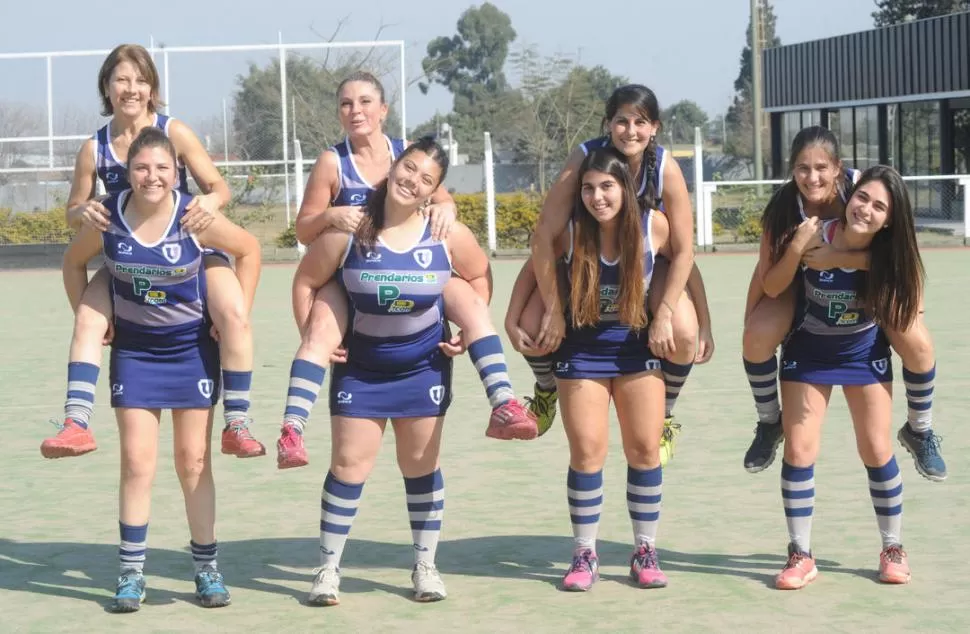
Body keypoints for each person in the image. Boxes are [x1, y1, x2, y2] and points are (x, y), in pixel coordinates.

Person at [275, 72, 535, 469]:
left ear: (383, 110)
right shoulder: (334, 161)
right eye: (346, 103)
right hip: (351, 273)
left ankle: (504, 400)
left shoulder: (408, 154)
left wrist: (448, 208)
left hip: (410, 266)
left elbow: (442, 204)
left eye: (364, 102)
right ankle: (292, 429)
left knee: (462, 292)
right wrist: (332, 214)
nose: (355, 111)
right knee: (321, 329)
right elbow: (305, 230)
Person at [61, 127, 262, 611]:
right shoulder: (108, 218)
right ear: (127, 171)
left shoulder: (194, 217)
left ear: (177, 173)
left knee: (193, 463)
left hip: (190, 348)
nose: (152, 177)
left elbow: (250, 250)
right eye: (141, 168)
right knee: (136, 465)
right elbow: (72, 263)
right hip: (136, 352)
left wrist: (237, 313)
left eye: (162, 168)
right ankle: (131, 573)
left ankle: (206, 568)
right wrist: (95, 321)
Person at [41, 43, 265, 461]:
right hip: (129, 256)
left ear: (152, 88)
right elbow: (73, 211)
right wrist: (82, 211)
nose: (131, 88)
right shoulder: (94, 148)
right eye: (122, 79)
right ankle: (76, 422)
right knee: (87, 318)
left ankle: (238, 423)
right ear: (106, 87)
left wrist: (208, 206)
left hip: (186, 250)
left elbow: (219, 189)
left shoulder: (173, 132)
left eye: (141, 80)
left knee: (235, 313)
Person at [289, 138, 490, 604]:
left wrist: (464, 327)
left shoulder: (444, 232)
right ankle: (328, 569)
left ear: (434, 193)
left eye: (426, 179)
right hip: (362, 366)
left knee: (421, 467)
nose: (412, 181)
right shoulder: (350, 230)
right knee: (347, 467)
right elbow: (306, 279)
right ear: (392, 168)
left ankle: (425, 565)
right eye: (408, 169)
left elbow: (479, 276)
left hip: (422, 365)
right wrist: (313, 331)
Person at [516, 84, 713, 464]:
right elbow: (543, 237)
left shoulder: (664, 169)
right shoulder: (587, 159)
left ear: (654, 127)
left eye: (640, 122)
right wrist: (555, 310)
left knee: (684, 333)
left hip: (643, 265)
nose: (630, 130)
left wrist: (676, 314)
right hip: (585, 262)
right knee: (531, 325)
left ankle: (665, 413)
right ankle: (545, 390)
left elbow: (685, 251)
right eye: (621, 121)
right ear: (608, 124)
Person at [506, 147, 672, 591]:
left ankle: (645, 550)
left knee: (644, 451)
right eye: (589, 188)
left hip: (637, 349)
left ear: (626, 189)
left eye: (607, 187)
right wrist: (513, 312)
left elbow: (683, 266)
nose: (598, 197)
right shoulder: (572, 232)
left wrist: (681, 313)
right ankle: (584, 554)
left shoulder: (653, 226)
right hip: (581, 351)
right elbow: (535, 260)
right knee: (587, 452)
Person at [741, 126, 946, 482]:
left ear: (838, 167)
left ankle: (920, 430)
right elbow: (767, 277)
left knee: (918, 341)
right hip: (800, 284)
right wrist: (752, 319)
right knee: (755, 336)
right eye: (803, 168)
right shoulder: (783, 210)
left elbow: (903, 256)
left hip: (868, 285)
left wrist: (838, 259)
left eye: (821, 167)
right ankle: (770, 422)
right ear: (792, 169)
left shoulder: (863, 191)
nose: (812, 177)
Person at [771, 165, 918, 590]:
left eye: (878, 206)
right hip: (808, 352)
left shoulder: (891, 251)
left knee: (876, 447)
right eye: (862, 198)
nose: (866, 210)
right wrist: (797, 250)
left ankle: (893, 547)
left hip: (862, 353)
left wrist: (845, 260)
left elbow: (906, 286)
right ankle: (800, 553)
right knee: (799, 449)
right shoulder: (814, 231)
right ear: (848, 196)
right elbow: (775, 284)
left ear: (889, 218)